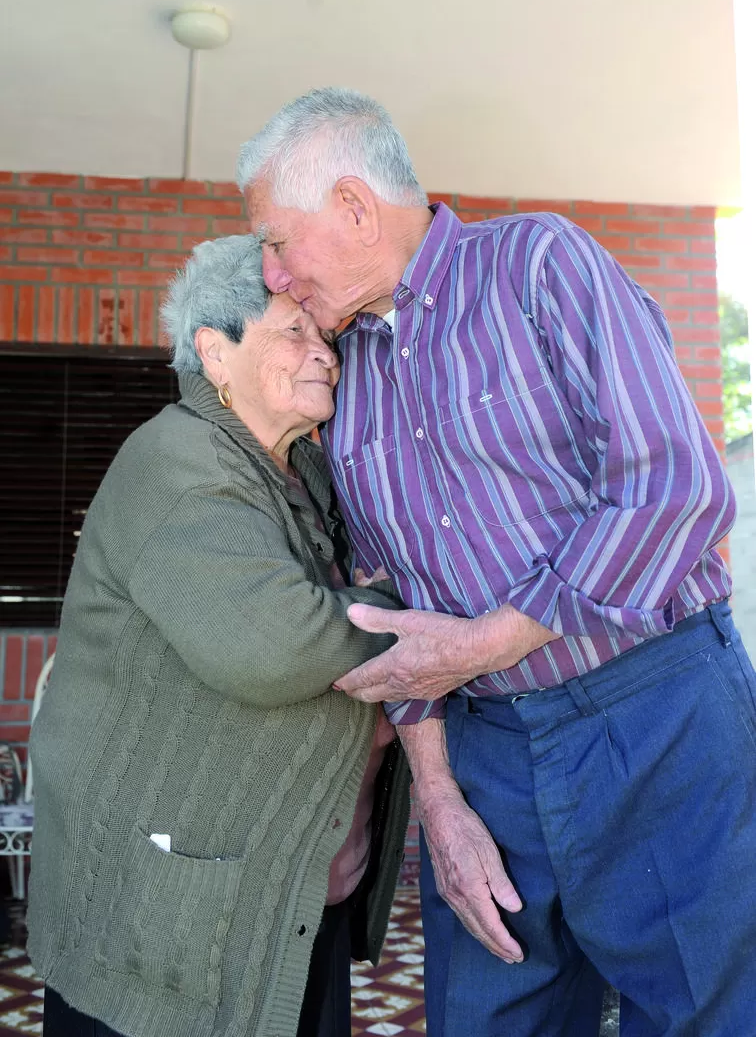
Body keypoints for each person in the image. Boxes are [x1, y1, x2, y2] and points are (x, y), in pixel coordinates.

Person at [239, 87, 756, 1037]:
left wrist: (486, 640)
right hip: (483, 754)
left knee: (707, 1016)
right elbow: (393, 614)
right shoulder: (347, 373)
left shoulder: (538, 262)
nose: (272, 276)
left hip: (657, 714)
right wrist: (437, 795)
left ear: (354, 207)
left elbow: (676, 490)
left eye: (277, 240)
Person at [27, 233, 410, 1037]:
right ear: (216, 351)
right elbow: (275, 643)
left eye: (326, 336)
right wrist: (409, 616)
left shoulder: (293, 471)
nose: (326, 356)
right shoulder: (177, 461)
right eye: (293, 332)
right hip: (169, 933)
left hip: (280, 906)